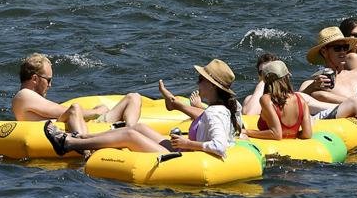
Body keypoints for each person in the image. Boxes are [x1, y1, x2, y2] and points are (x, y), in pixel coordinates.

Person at [43, 59, 242, 159]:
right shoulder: (219, 109)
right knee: (137, 128)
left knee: (129, 134)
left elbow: (219, 146)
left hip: (189, 158)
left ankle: (68, 144)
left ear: (213, 86)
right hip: (188, 152)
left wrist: (188, 144)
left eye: (201, 80)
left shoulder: (216, 112)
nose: (198, 84)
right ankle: (81, 139)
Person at [11, 53, 142, 135]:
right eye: (48, 80)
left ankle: (130, 129)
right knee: (76, 108)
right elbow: (60, 111)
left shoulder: (26, 98)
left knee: (133, 97)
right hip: (83, 128)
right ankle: (129, 132)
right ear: (34, 79)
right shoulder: (24, 95)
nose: (50, 85)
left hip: (80, 125)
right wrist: (96, 111)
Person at [244, 60, 313, 140]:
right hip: (292, 149)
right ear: (287, 77)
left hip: (271, 150)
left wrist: (247, 132)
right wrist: (291, 135)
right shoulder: (301, 100)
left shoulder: (267, 99)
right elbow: (307, 134)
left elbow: (276, 134)